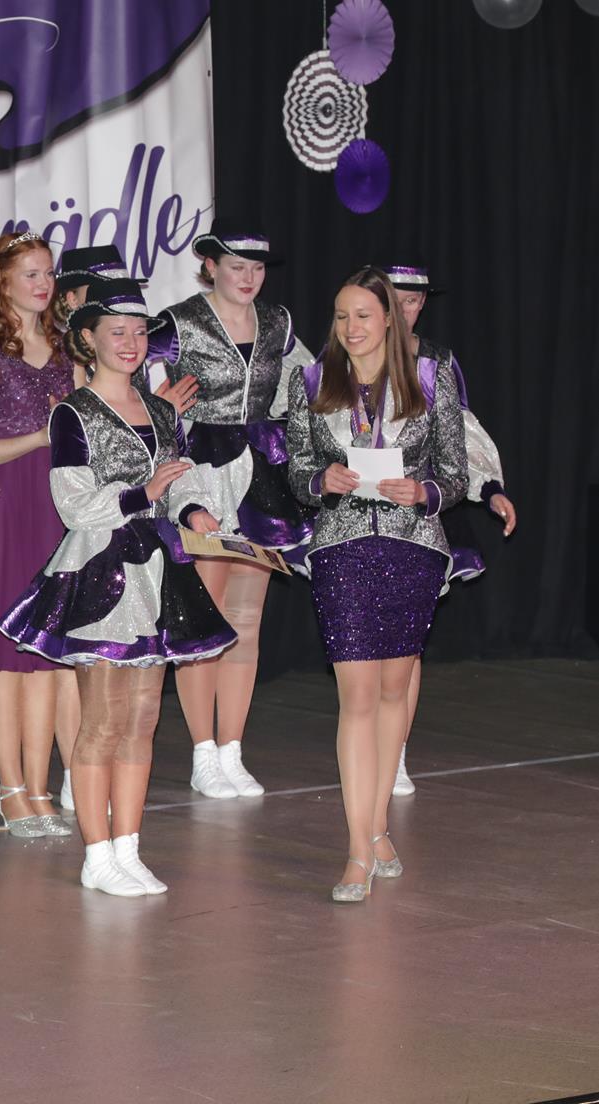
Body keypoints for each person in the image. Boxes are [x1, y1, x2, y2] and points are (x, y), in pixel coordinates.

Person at [0, 282, 235, 896]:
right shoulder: (72, 413)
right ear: (88, 338)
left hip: (156, 573)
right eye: (117, 332)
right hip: (101, 573)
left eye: (139, 332)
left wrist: (193, 510)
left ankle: (128, 847)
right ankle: (96, 853)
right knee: (102, 720)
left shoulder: (160, 410)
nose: (131, 343)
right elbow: (73, 504)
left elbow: (179, 480)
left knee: (143, 717)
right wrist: (143, 494)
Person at [285, 267, 466, 902]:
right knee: (356, 697)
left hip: (413, 548)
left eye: (362, 315)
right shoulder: (311, 381)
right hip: (341, 549)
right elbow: (297, 471)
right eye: (341, 315)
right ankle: (358, 850)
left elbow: (455, 475)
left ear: (390, 317)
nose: (351, 327)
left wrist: (424, 492)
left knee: (393, 693)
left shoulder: (431, 378)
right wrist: (320, 481)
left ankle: (380, 825)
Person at [145, 219, 314, 801]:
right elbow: (130, 391)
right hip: (202, 472)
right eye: (237, 267)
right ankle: (202, 752)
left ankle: (232, 748)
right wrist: (159, 409)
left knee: (246, 619)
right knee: (206, 616)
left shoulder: (278, 322)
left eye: (257, 268)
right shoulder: (176, 324)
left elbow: (306, 386)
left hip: (260, 476)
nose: (248, 278)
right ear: (211, 266)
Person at [0, 232, 79, 837]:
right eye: (30, 273)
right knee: (7, 659)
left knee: (48, 655)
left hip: (58, 504)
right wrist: (39, 436)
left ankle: (41, 787)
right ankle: (10, 789)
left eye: (47, 272)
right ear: (2, 282)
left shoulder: (65, 351)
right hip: (9, 505)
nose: (42, 284)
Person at [384, 262, 517, 796]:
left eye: (413, 300)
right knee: (361, 644)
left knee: (407, 641)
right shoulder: (344, 357)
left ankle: (394, 752)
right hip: (354, 512)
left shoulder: (436, 361)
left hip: (420, 511)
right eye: (395, 298)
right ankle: (366, 745)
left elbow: (461, 431)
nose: (404, 309)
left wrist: (490, 488)